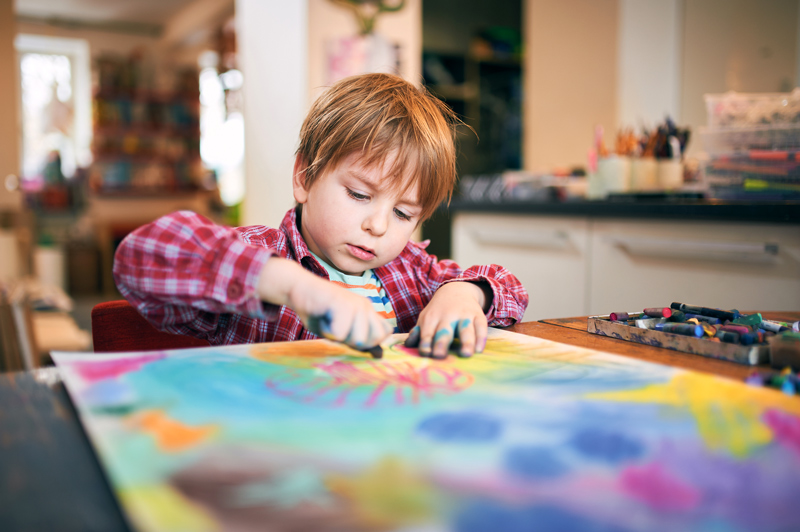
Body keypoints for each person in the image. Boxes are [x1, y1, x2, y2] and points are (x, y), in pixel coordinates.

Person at [114, 73, 528, 359]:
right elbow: (140, 256)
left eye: (403, 213)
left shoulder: (411, 272)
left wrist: (463, 295)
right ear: (304, 177)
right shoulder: (262, 255)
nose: (378, 226)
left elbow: (510, 287)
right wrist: (293, 287)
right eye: (359, 194)